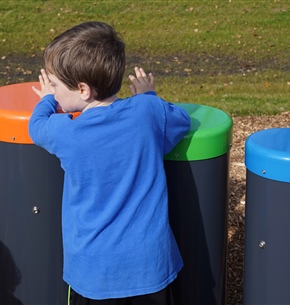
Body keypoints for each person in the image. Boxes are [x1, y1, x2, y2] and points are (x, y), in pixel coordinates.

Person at [28, 21, 190, 305]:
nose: (52, 91)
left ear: (83, 90)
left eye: (54, 85)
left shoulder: (67, 132)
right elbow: (180, 121)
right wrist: (148, 96)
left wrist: (45, 102)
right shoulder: (147, 113)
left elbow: (36, 126)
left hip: (94, 274)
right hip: (150, 267)